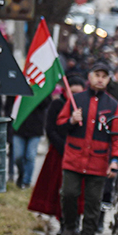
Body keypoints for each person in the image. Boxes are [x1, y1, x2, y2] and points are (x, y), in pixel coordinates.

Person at [56, 62, 118, 235]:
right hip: (74, 157)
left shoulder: (113, 105)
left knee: (94, 201)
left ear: (108, 79)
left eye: (104, 76)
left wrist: (115, 160)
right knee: (69, 193)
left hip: (98, 160)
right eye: (97, 75)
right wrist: (71, 120)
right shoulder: (76, 99)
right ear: (90, 77)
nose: (100, 79)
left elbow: (117, 136)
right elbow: (60, 125)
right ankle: (69, 227)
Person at [29, 78, 84, 218]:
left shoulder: (84, 106)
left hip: (79, 152)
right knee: (55, 186)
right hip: (59, 151)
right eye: (73, 92)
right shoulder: (57, 104)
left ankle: (73, 219)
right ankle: (59, 217)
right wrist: (63, 147)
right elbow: (51, 129)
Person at [11, 99, 47, 189]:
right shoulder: (19, 92)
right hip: (18, 128)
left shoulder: (41, 89)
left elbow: (46, 104)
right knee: (17, 157)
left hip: (35, 130)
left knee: (30, 156)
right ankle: (22, 174)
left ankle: (26, 181)